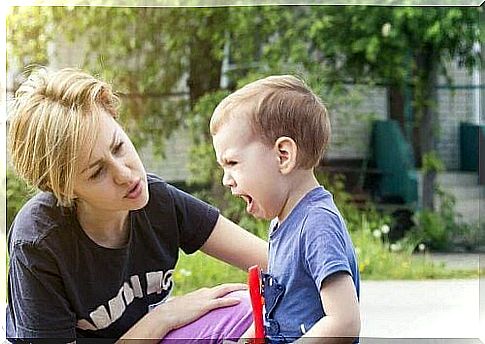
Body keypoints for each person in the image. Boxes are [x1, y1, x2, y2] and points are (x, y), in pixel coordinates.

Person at [6, 67, 268, 343]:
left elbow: (275, 260)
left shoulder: (158, 200)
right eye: (97, 172)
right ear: (63, 189)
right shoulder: (38, 241)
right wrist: (164, 316)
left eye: (119, 146)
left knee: (246, 308)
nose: (126, 175)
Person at [210, 75, 361, 343]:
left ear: (283, 155)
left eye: (232, 162)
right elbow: (285, 311)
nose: (226, 179)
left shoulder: (317, 224)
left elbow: (344, 322)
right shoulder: (284, 222)